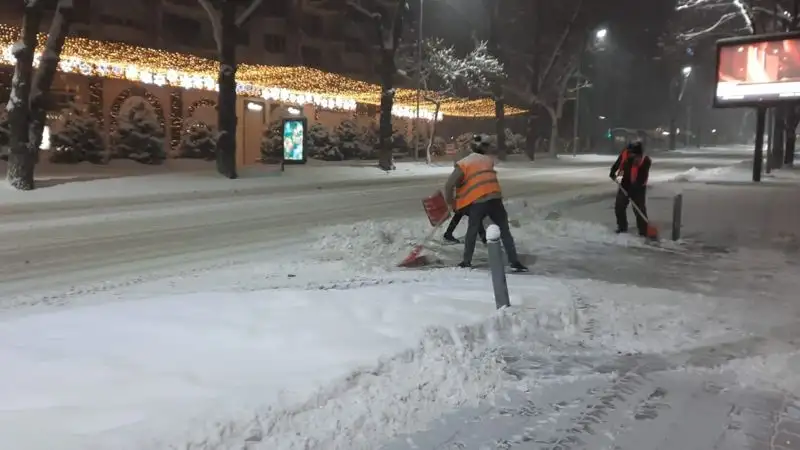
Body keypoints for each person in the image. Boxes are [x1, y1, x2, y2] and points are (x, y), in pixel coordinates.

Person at [444, 134, 528, 271]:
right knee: (504, 230)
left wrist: (450, 203)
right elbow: (475, 179)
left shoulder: (463, 164)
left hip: (479, 200)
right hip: (495, 197)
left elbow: (449, 185)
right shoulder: (488, 160)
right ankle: (514, 261)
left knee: (472, 229)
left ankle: (466, 261)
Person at [443, 137, 486, 245]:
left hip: (466, 193)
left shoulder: (464, 160)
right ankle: (484, 237)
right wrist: (450, 202)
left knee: (464, 213)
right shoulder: (464, 162)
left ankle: (448, 234)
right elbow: (449, 184)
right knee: (474, 214)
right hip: (466, 193)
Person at [609, 141, 652, 236]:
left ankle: (643, 231)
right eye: (632, 156)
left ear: (640, 155)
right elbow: (619, 162)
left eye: (636, 157)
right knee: (619, 206)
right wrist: (613, 171)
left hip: (639, 187)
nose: (634, 159)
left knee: (639, 209)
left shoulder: (646, 161)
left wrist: (632, 191)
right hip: (625, 183)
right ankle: (622, 227)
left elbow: (641, 178)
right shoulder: (626, 154)